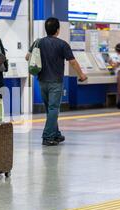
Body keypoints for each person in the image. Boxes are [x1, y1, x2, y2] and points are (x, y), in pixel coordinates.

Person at [27, 17, 87, 146]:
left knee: (50, 109)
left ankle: (56, 134)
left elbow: (28, 57)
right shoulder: (62, 44)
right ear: (58, 30)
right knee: (54, 109)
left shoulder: (38, 42)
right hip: (56, 82)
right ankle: (47, 136)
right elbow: (72, 61)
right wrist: (81, 74)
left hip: (41, 81)